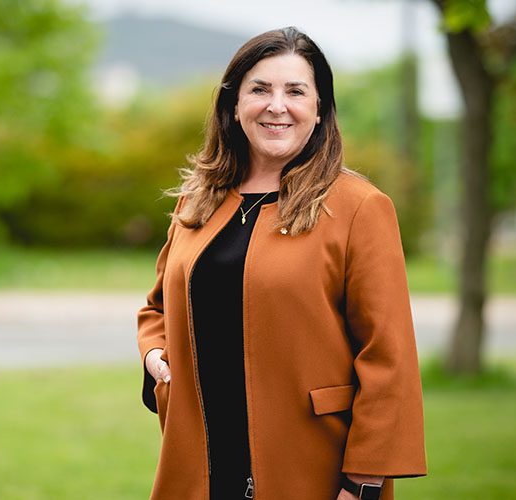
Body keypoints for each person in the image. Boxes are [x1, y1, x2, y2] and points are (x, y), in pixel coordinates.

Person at [136, 26, 427, 500]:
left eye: (295, 91)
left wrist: (363, 484)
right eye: (260, 89)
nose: (277, 106)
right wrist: (154, 355)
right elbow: (156, 310)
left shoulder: (359, 208)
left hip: (312, 467)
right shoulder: (198, 202)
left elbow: (387, 356)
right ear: (233, 105)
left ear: (319, 110)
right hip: (200, 464)